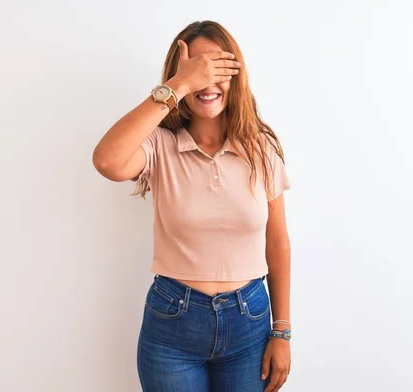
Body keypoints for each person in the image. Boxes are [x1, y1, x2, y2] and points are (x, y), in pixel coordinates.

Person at [92, 20, 292, 392]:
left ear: (237, 75)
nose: (207, 80)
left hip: (250, 322)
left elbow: (277, 244)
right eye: (197, 68)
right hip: (173, 324)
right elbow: (107, 161)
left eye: (217, 67)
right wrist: (178, 86)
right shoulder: (159, 145)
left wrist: (282, 330)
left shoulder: (261, 149)